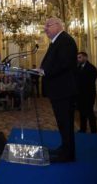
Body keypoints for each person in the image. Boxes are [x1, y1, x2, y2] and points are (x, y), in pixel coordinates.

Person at [39, 17, 78, 163]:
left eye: (48, 25)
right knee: (62, 122)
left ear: (58, 25)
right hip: (59, 90)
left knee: (66, 122)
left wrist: (45, 72)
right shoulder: (58, 41)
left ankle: (68, 154)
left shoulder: (65, 40)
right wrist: (41, 69)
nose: (45, 29)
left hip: (63, 89)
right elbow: (53, 62)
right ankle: (65, 148)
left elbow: (64, 64)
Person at [76, 52, 97, 133]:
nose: (78, 59)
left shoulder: (92, 68)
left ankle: (94, 131)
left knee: (90, 113)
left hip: (88, 95)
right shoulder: (78, 68)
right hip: (80, 95)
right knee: (81, 113)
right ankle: (83, 129)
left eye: (80, 57)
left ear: (85, 57)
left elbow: (90, 82)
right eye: (78, 57)